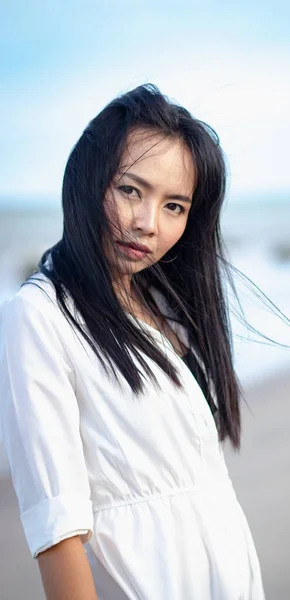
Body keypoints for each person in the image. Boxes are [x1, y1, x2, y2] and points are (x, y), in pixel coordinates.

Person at [0, 84, 266, 599]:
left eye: (174, 206)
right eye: (130, 190)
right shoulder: (39, 315)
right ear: (88, 179)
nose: (147, 224)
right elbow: (57, 527)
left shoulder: (164, 308)